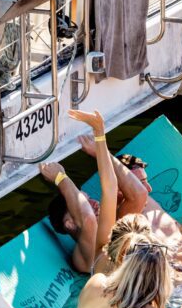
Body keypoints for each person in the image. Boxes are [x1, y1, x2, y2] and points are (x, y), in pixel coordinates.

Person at [41, 109, 136, 274]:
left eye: (88, 198)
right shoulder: (85, 257)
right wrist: (61, 179)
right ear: (70, 223)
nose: (94, 203)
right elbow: (88, 219)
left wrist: (99, 134)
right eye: (85, 202)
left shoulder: (107, 235)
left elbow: (111, 188)